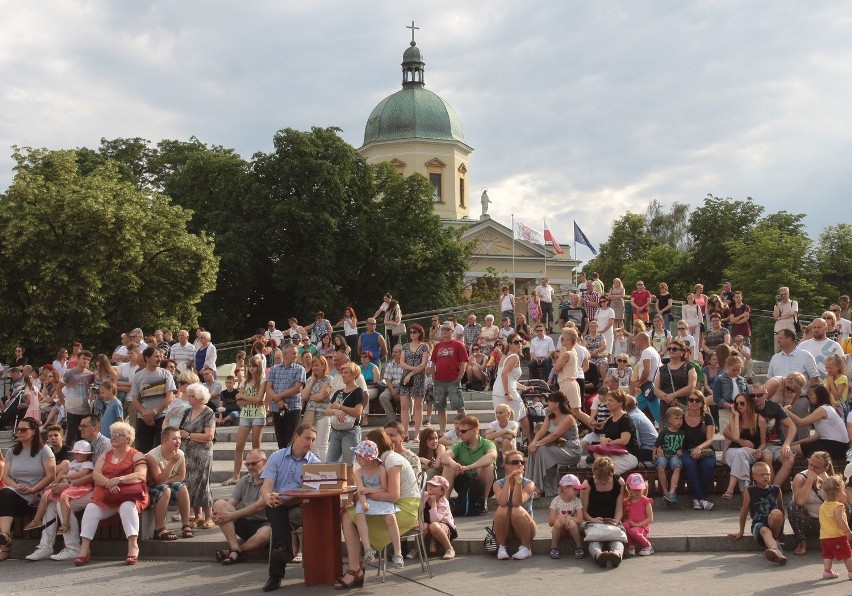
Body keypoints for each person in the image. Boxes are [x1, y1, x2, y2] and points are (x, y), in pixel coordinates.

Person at [339, 429, 419, 589]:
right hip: (395, 504)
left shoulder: (391, 460)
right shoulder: (382, 461)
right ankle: (358, 565)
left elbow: (393, 495)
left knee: (348, 517)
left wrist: (365, 495)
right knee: (350, 514)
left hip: (405, 508)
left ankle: (355, 569)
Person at [74, 421, 149, 566]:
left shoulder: (136, 454)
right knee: (91, 508)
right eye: (112, 434)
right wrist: (110, 483)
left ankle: (133, 546)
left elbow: (140, 476)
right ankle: (84, 549)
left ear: (128, 439)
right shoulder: (106, 454)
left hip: (128, 496)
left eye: (117, 435)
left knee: (128, 506)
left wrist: (119, 480)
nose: (113, 437)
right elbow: (96, 475)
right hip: (106, 495)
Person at [260, 424, 319, 592]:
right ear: (296, 436)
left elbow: (309, 493)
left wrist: (285, 500)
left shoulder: (314, 463)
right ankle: (285, 550)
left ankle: (277, 572)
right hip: (277, 503)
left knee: (280, 519)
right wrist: (268, 497)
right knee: (275, 510)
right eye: (307, 438)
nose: (310, 443)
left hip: (299, 504)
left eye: (313, 440)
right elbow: (266, 486)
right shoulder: (277, 457)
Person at [0, 417, 56, 561]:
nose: (19, 432)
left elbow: (50, 475)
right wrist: (16, 486)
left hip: (36, 496)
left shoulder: (44, 450)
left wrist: (32, 489)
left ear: (33, 431)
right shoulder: (12, 451)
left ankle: (5, 542)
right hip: (15, 493)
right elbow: (5, 476)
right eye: (18, 429)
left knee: (5, 496)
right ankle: (5, 539)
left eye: (23, 429)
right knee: (6, 496)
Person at [212, 449, 270, 565]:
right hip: (245, 523)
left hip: (265, 522)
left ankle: (236, 551)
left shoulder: (271, 481)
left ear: (265, 462)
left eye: (254, 463)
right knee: (219, 504)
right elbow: (230, 504)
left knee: (267, 532)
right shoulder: (244, 480)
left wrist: (230, 515)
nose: (250, 467)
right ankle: (234, 547)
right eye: (247, 464)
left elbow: (258, 506)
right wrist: (216, 514)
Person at [351, 439, 403, 568]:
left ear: (367, 458)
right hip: (367, 499)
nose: (356, 458)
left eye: (358, 456)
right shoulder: (358, 472)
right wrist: (363, 503)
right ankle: (367, 548)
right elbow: (360, 490)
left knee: (391, 517)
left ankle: (398, 553)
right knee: (360, 516)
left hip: (380, 498)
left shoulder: (381, 470)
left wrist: (370, 490)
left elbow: (384, 489)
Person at [729, 461, 788, 565]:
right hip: (759, 525)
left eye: (768, 474)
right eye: (762, 475)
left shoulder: (776, 489)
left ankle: (776, 542)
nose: (765, 477)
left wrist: (781, 530)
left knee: (776, 512)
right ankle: (776, 551)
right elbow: (744, 510)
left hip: (774, 523)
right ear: (754, 477)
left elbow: (781, 509)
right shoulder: (750, 491)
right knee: (765, 530)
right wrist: (741, 531)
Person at [221, 356, 267, 486]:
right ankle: (235, 476)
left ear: (259, 367)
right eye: (250, 366)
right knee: (239, 446)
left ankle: (258, 475)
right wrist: (249, 399)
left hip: (258, 415)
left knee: (256, 447)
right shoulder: (245, 381)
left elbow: (259, 400)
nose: (252, 369)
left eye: (254, 366)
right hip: (245, 415)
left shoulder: (263, 380)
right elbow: (239, 402)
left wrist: (244, 396)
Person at [528, 391, 581, 498]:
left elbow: (555, 435)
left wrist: (537, 444)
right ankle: (533, 485)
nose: (547, 403)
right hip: (556, 447)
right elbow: (541, 432)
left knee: (541, 449)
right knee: (533, 450)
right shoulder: (549, 417)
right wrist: (533, 444)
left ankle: (538, 487)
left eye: (549, 401)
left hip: (571, 450)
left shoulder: (568, 418)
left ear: (556, 404)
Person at [179, 383, 216, 529]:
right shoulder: (187, 411)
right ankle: (197, 516)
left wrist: (188, 435)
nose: (188, 398)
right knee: (190, 483)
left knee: (203, 483)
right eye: (188, 395)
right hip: (187, 452)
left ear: (200, 397)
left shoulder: (208, 413)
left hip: (202, 453)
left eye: (191, 396)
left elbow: (209, 436)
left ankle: (209, 517)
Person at [146, 426, 192, 540]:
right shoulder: (152, 456)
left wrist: (167, 480)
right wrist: (171, 463)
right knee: (164, 489)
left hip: (163, 482)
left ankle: (186, 525)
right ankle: (159, 529)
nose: (178, 442)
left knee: (182, 488)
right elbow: (158, 480)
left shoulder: (180, 454)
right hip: (150, 487)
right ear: (164, 441)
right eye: (174, 439)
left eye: (180, 438)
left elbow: (181, 476)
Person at [581, 456, 626, 568]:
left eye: (607, 478)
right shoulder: (587, 484)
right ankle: (598, 555)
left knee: (617, 538)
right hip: (593, 520)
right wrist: (592, 519)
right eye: (600, 478)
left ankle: (617, 554)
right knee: (594, 540)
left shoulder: (619, 482)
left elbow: (619, 507)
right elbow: (583, 511)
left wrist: (616, 521)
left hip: (611, 520)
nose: (604, 482)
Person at [129, 347, 176, 454]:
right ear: (147, 358)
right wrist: (145, 414)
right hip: (143, 419)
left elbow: (169, 397)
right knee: (143, 450)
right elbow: (134, 399)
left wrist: (154, 412)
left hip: (162, 417)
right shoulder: (138, 376)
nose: (159, 359)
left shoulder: (166, 374)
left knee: (161, 449)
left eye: (160, 356)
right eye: (156, 356)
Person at [440, 415, 497, 505]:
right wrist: (453, 463)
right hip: (464, 483)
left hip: (483, 484)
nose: (459, 434)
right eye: (459, 431)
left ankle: (484, 502)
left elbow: (492, 456)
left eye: (463, 431)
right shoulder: (460, 444)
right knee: (448, 466)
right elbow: (444, 456)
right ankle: (445, 503)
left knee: (487, 466)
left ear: (474, 431)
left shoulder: (487, 443)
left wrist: (469, 467)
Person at [325, 362, 365, 485]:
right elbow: (327, 411)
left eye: (346, 372)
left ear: (354, 375)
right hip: (336, 431)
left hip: (351, 431)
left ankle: (351, 498)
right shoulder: (338, 392)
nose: (343, 375)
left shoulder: (358, 391)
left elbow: (358, 411)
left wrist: (341, 407)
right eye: (342, 372)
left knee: (349, 466)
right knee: (330, 464)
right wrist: (336, 411)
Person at [493, 450, 537, 560]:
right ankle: (501, 547)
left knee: (516, 510)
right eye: (515, 462)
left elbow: (517, 502)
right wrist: (508, 480)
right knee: (501, 509)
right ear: (506, 466)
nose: (519, 465)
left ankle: (526, 548)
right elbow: (502, 502)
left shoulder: (529, 483)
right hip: (506, 529)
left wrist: (518, 482)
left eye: (522, 462)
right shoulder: (498, 484)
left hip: (526, 528)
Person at [722, 393, 767, 499]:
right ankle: (746, 496)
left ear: (749, 404)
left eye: (742, 403)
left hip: (751, 452)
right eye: (736, 404)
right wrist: (737, 417)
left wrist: (759, 450)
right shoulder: (734, 418)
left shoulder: (759, 419)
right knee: (740, 456)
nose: (739, 406)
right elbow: (736, 437)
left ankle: (730, 490)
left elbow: (763, 442)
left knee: (741, 454)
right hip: (732, 452)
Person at [788, 451, 834, 556]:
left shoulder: (831, 478)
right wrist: (809, 480)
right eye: (810, 465)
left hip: (828, 522)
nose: (812, 469)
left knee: (846, 507)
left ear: (825, 468)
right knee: (793, 506)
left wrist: (827, 482)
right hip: (808, 522)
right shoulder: (800, 477)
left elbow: (842, 501)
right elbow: (800, 501)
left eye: (816, 467)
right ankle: (801, 542)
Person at [786, 385, 849, 460]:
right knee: (793, 449)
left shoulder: (823, 409)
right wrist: (796, 443)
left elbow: (800, 422)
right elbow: (816, 436)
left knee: (788, 450)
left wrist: (784, 410)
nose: (809, 397)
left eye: (811, 394)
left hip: (834, 446)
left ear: (819, 395)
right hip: (837, 445)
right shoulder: (827, 408)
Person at [681, 390, 717, 511]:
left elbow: (710, 439)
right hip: (687, 450)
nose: (694, 403)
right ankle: (701, 499)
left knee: (709, 465)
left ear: (702, 403)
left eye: (698, 400)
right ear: (687, 402)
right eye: (691, 400)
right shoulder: (682, 417)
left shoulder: (707, 417)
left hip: (705, 449)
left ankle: (697, 499)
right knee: (689, 465)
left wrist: (699, 448)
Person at [430, 322, 469, 436]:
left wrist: (460, 376)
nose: (444, 331)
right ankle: (443, 432)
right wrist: (433, 376)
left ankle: (465, 429)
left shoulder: (458, 345)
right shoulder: (437, 346)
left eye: (447, 329)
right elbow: (433, 362)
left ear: (452, 331)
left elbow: (464, 362)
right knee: (440, 408)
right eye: (443, 329)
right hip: (439, 381)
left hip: (453, 380)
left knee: (459, 407)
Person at [265, 344, 306, 450]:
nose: (296, 355)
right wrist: (278, 400)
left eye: (296, 353)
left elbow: (298, 388)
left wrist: (278, 397)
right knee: (281, 440)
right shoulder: (274, 369)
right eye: (293, 353)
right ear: (285, 354)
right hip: (276, 408)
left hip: (293, 408)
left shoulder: (300, 369)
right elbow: (268, 388)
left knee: (291, 440)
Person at [492, 332, 532, 438]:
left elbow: (511, 379)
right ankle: (530, 442)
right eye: (516, 342)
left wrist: (525, 387)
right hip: (506, 391)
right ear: (510, 344)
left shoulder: (505, 356)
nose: (519, 344)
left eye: (521, 341)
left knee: (505, 420)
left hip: (498, 391)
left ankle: (504, 445)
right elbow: (505, 374)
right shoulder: (514, 357)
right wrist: (507, 393)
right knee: (517, 419)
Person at [817, 475, 852, 580]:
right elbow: (840, 520)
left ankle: (827, 571)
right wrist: (848, 531)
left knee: (827, 555)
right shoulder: (838, 506)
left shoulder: (823, 506)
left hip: (824, 536)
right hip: (837, 535)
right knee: (847, 554)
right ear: (840, 492)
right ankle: (851, 571)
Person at [654, 338, 697, 421]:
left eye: (674, 349)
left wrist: (673, 396)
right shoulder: (662, 368)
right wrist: (667, 398)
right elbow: (656, 389)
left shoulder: (689, 367)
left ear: (682, 352)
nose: (671, 351)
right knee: (666, 431)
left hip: (682, 404)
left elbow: (691, 386)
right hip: (665, 406)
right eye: (669, 349)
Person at [399, 323, 430, 440]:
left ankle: (416, 434)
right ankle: (405, 433)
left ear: (419, 333)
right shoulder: (405, 346)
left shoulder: (424, 347)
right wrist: (412, 370)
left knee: (418, 406)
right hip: (406, 376)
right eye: (410, 332)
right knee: (404, 406)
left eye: (414, 332)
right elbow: (401, 363)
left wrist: (412, 373)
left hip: (419, 377)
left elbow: (423, 364)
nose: (412, 334)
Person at [300, 356, 332, 461]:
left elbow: (321, 396)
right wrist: (313, 380)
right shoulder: (310, 379)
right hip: (310, 414)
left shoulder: (329, 379)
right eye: (313, 365)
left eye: (317, 365)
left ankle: (324, 471)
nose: (314, 368)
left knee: (322, 446)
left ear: (323, 366)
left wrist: (311, 396)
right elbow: (303, 396)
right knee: (312, 446)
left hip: (323, 415)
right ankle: (314, 468)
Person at [417, 475, 457, 559]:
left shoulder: (443, 502)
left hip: (444, 526)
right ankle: (416, 548)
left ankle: (449, 548)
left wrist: (434, 502)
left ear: (441, 492)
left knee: (433, 525)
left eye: (435, 486)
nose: (430, 487)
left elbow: (434, 519)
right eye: (430, 485)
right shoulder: (424, 496)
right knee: (423, 526)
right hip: (428, 524)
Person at [548, 473, 585, 559]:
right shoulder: (556, 501)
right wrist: (559, 517)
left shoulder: (577, 501)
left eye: (578, 489)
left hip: (574, 529)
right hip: (560, 531)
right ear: (565, 488)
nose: (577, 491)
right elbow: (550, 522)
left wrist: (570, 517)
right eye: (575, 489)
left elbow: (580, 519)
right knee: (557, 522)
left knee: (571, 522)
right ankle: (554, 547)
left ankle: (579, 547)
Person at [654, 406, 686, 504]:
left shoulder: (683, 432)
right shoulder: (664, 431)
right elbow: (657, 444)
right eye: (676, 418)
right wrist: (654, 454)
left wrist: (682, 450)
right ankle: (665, 491)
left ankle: (672, 492)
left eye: (681, 418)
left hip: (675, 455)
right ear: (669, 420)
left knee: (677, 467)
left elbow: (686, 445)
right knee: (660, 466)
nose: (679, 421)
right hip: (664, 454)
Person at [622, 473, 654, 556]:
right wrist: (626, 520)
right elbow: (625, 516)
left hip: (642, 527)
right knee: (624, 526)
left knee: (632, 531)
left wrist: (637, 524)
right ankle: (630, 545)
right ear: (628, 488)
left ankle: (648, 546)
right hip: (631, 525)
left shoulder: (646, 501)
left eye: (639, 489)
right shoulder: (626, 501)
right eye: (634, 490)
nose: (637, 492)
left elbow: (650, 518)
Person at [378, 345, 405, 424]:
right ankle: (393, 420)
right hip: (392, 387)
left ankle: (409, 419)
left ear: (401, 354)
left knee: (409, 397)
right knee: (383, 397)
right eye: (393, 352)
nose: (393, 354)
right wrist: (393, 391)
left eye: (396, 352)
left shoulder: (406, 364)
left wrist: (400, 391)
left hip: (404, 387)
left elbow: (408, 381)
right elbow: (388, 381)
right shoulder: (389, 365)